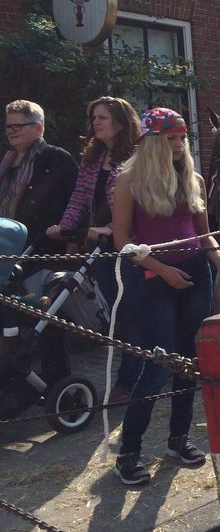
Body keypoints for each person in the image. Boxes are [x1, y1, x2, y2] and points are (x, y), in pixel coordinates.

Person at [111, 108, 220, 485]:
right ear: (154, 142)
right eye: (171, 139)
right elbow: (122, 239)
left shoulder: (193, 179)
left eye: (182, 138)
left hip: (195, 273)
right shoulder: (129, 181)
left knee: (188, 361)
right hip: (152, 277)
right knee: (158, 363)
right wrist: (161, 269)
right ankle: (128, 451)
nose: (178, 145)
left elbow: (205, 236)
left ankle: (178, 438)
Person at [46, 97, 142, 403]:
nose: (95, 123)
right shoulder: (92, 158)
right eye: (93, 118)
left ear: (120, 123)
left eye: (101, 117)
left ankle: (128, 381)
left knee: (129, 315)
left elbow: (142, 206)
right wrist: (64, 226)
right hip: (98, 249)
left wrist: (115, 229)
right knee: (112, 316)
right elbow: (79, 198)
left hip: (129, 247)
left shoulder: (137, 159)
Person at [1, 100, 78, 377]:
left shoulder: (56, 159)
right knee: (9, 317)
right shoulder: (6, 161)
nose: (11, 131)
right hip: (9, 250)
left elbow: (77, 202)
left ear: (38, 127)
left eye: (18, 126)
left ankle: (55, 380)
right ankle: (14, 379)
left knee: (47, 320)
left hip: (45, 249)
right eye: (8, 126)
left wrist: (72, 244)